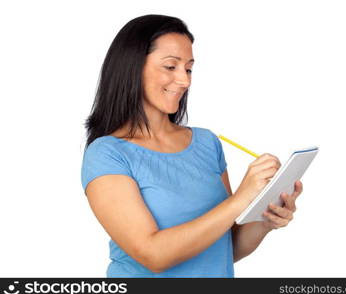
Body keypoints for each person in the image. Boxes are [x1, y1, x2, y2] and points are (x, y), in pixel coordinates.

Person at [81, 14, 303, 278]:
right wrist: (241, 198)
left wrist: (265, 219)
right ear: (133, 66)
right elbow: (154, 255)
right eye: (171, 66)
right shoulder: (106, 154)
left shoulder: (207, 143)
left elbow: (225, 247)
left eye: (188, 68)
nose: (185, 81)